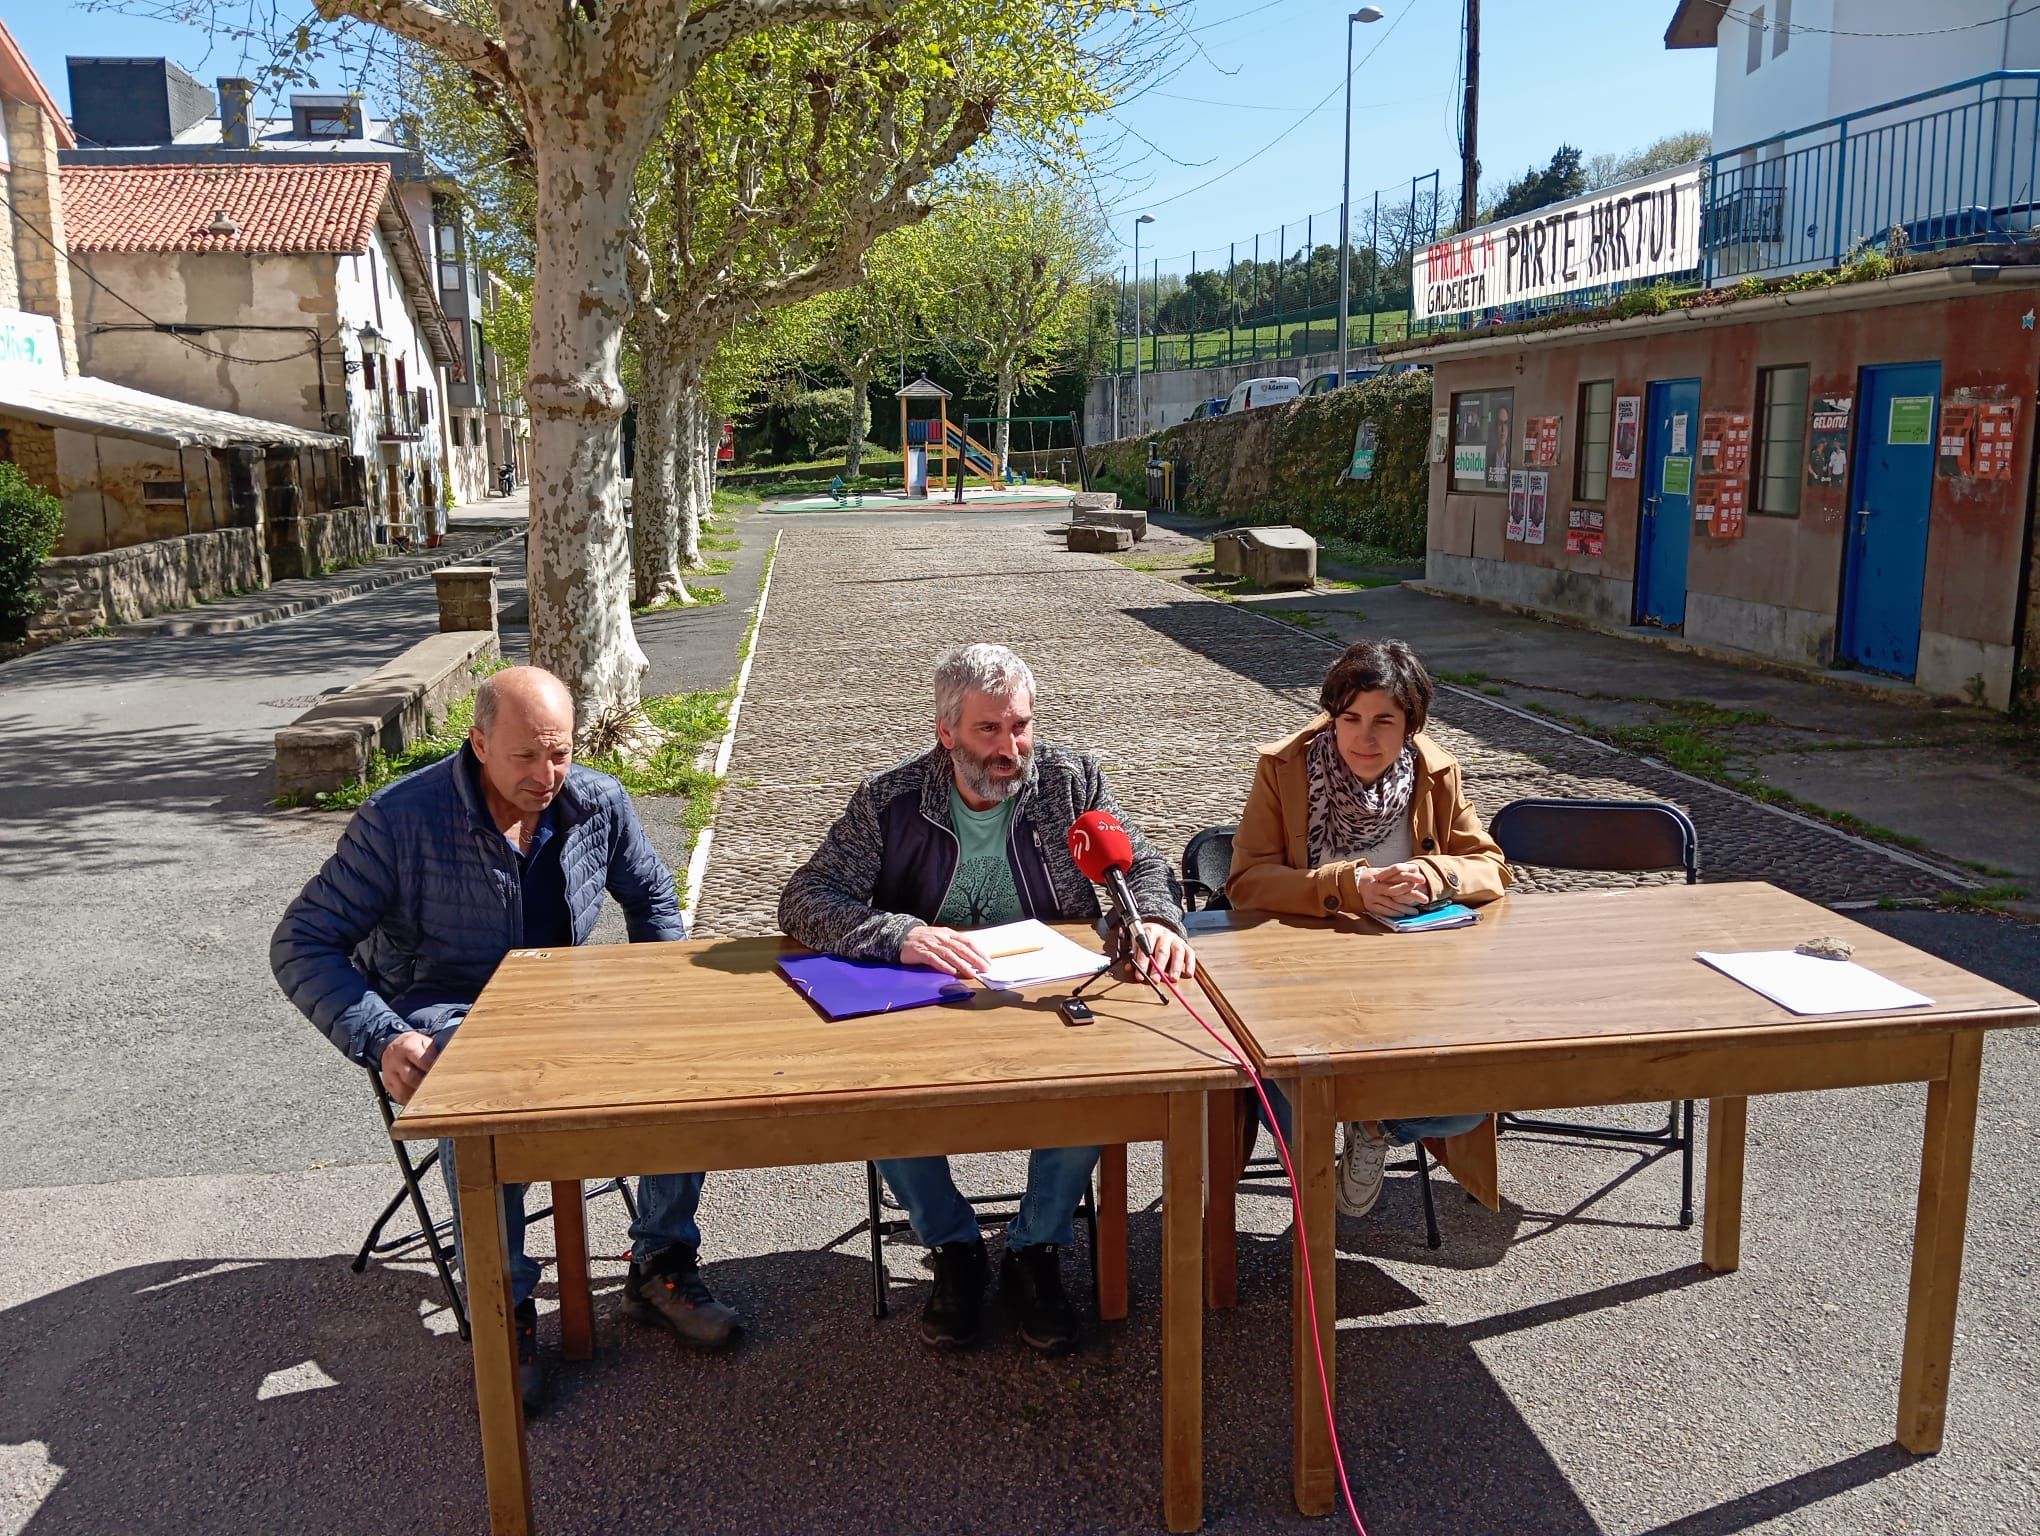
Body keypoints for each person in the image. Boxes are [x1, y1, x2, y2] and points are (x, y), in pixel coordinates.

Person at [272, 666, 741, 1413]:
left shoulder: (597, 800)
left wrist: (661, 994)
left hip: (563, 1002)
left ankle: (661, 1263)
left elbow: (651, 895)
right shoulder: (399, 819)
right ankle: (508, 1307)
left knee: (679, 1068)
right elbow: (301, 943)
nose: (547, 774)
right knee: (485, 1090)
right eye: (526, 756)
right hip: (442, 1006)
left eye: (560, 753)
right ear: (479, 742)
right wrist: (380, 1037)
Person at [778, 642, 1194, 1356]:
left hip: (1043, 988)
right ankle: (956, 1248)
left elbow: (1145, 863)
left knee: (1095, 1085)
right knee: (886, 1095)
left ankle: (1036, 1248)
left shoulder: (1071, 779)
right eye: (988, 731)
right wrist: (897, 931)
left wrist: (1152, 919)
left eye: (1021, 727)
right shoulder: (889, 799)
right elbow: (804, 900)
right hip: (927, 997)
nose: (1011, 748)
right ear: (946, 733)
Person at [1226, 638, 1512, 1218]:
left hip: (1413, 990)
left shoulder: (1434, 771)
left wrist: (1435, 874)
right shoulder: (1285, 769)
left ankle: (1376, 1125)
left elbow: (1492, 867)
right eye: (1350, 718)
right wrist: (1345, 887)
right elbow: (1247, 882)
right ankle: (1315, 1198)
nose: (1365, 737)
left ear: (1410, 725)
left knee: (1474, 1102)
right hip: (1296, 988)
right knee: (1292, 1104)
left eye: (1385, 720)